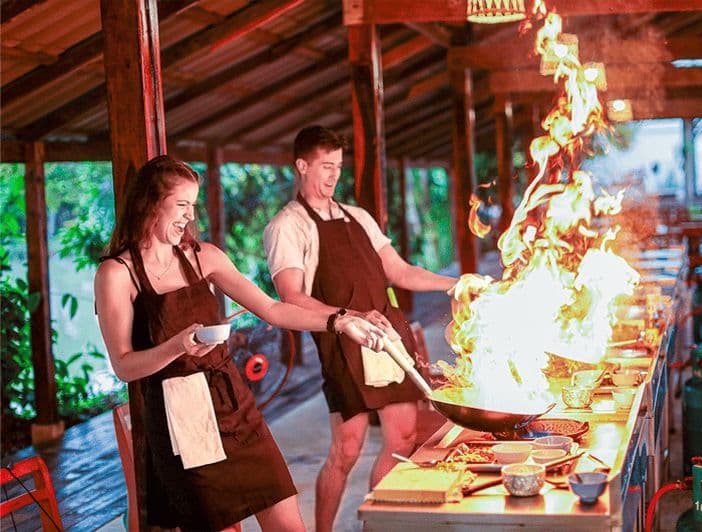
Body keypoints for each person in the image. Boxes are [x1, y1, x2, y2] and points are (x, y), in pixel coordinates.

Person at [94, 155, 385, 532]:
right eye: (181, 204)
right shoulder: (117, 274)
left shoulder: (205, 256)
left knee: (286, 520)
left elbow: (273, 309)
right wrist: (177, 346)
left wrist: (341, 320)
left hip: (233, 402)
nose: (188, 216)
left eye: (192, 206)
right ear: (150, 202)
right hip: (181, 415)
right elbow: (123, 365)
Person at [262, 125, 457, 532]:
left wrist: (456, 282)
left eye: (338, 167)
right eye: (326, 166)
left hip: (388, 333)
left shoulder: (359, 217)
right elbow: (292, 297)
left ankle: (375, 526)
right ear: (302, 166)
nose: (334, 175)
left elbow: (399, 271)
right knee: (347, 449)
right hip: (343, 340)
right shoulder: (288, 225)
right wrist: (349, 317)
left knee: (402, 439)